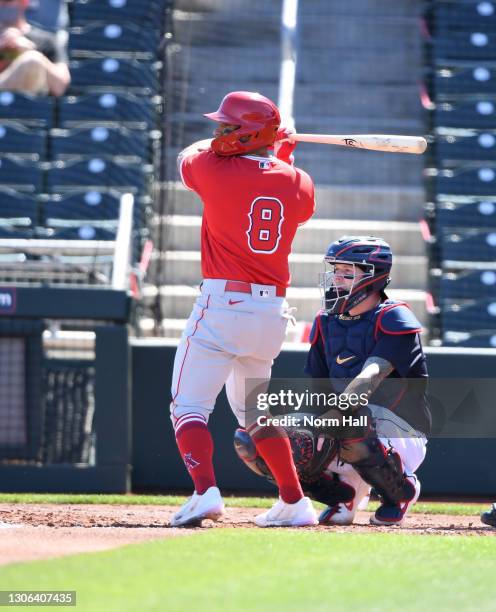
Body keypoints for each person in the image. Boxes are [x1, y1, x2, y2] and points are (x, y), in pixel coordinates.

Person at [169, 91, 318, 528]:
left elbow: (186, 158)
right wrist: (280, 150)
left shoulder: (212, 168)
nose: (218, 132)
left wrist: (273, 147)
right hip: (269, 316)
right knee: (256, 415)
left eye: (228, 126)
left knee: (188, 408)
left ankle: (204, 493)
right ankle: (294, 502)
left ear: (251, 131)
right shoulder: (299, 180)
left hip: (221, 307)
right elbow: (290, 198)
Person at [235, 235, 431, 526]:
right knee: (256, 440)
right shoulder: (325, 322)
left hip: (400, 431)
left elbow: (371, 375)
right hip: (346, 425)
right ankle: (343, 494)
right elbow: (317, 390)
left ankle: (400, 491)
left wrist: (335, 417)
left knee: (350, 419)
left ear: (373, 278)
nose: (337, 279)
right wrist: (300, 432)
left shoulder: (394, 316)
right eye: (336, 271)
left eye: (347, 273)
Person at [0, 0, 70, 96]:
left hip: (32, 107)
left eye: (7, 1)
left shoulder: (47, 40)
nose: (2, 5)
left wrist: (30, 53)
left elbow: (60, 86)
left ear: (23, 3)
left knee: (32, 60)